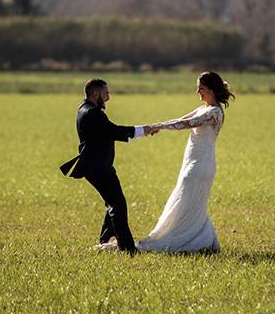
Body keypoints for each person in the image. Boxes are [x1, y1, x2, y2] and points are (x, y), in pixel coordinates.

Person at [137, 71, 234, 253]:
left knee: (188, 201)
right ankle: (201, 241)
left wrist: (160, 126)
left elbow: (188, 124)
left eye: (202, 88)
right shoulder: (203, 108)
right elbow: (180, 119)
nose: (198, 91)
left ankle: (183, 241)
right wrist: (156, 125)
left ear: (212, 90)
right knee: (189, 201)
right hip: (191, 161)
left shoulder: (214, 112)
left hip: (201, 165)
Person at [59, 79, 156, 255]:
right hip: (98, 167)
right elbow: (113, 131)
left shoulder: (85, 109)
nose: (109, 97)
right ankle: (127, 248)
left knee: (113, 202)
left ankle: (106, 240)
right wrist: (143, 130)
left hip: (97, 166)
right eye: (106, 93)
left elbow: (107, 133)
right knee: (118, 204)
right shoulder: (93, 113)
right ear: (96, 94)